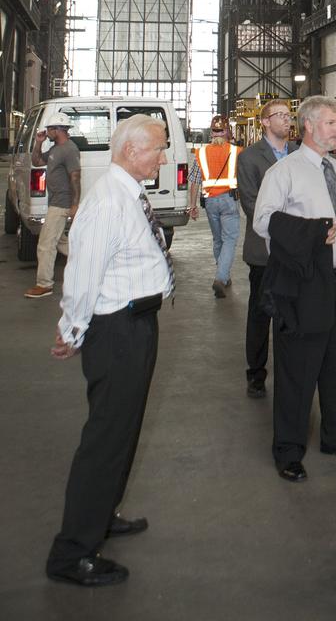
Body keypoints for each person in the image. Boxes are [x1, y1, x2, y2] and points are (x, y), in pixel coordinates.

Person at [45, 116, 174, 587]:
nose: (163, 157)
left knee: (124, 431)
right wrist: (72, 329)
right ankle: (73, 552)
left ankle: (101, 517)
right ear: (129, 151)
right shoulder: (106, 203)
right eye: (157, 150)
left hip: (137, 325)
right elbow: (82, 274)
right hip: (116, 330)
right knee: (105, 439)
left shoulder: (127, 191)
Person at [253, 95, 336, 482]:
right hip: (305, 282)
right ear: (310, 125)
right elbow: (264, 221)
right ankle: (288, 449)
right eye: (333, 122)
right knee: (298, 368)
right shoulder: (284, 172)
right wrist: (311, 232)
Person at [236, 100, 298, 398]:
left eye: (289, 115)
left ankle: (290, 371)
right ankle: (256, 373)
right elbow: (251, 204)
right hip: (264, 251)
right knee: (261, 313)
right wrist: (291, 227)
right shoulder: (250, 158)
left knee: (293, 314)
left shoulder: (300, 154)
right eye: (280, 116)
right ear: (264, 122)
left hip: (298, 252)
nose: (287, 120)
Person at [25, 111, 81, 299]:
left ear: (58, 129)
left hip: (61, 202)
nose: (46, 131)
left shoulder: (69, 150)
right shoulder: (56, 148)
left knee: (46, 244)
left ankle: (44, 284)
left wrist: (74, 205)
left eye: (49, 129)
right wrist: (39, 142)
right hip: (55, 201)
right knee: (62, 242)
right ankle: (90, 264)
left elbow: (75, 177)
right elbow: (37, 161)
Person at [190, 114, 242, 299]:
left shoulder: (201, 153)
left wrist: (192, 206)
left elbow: (195, 182)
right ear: (227, 131)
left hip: (210, 201)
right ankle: (220, 277)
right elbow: (244, 178)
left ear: (211, 132)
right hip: (229, 200)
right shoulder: (236, 152)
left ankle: (224, 277)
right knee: (229, 240)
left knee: (218, 240)